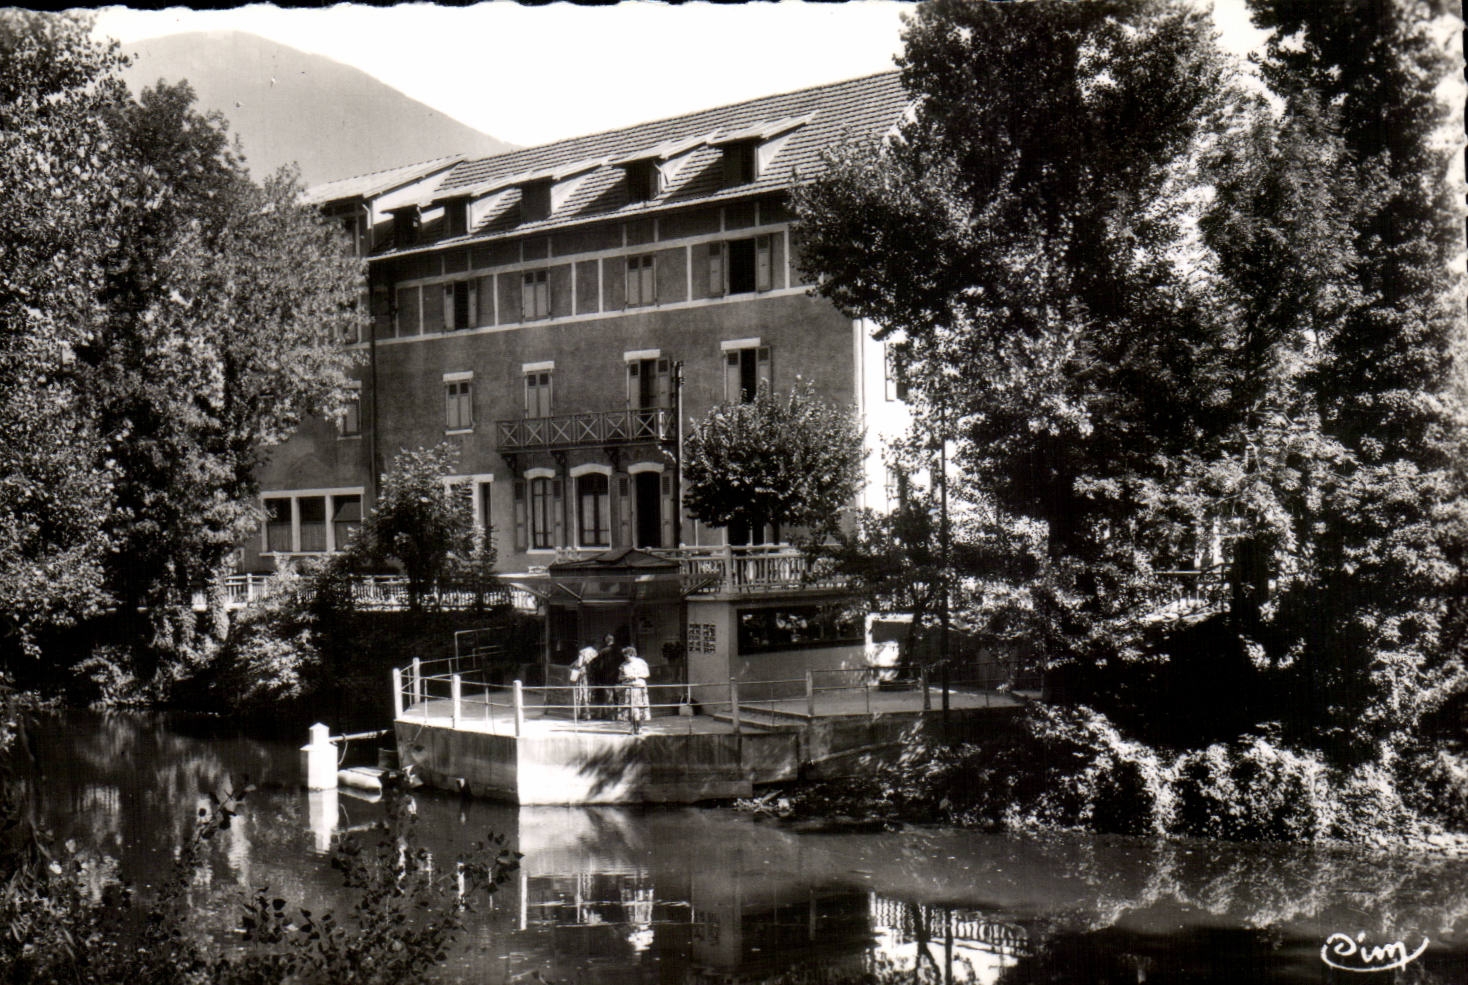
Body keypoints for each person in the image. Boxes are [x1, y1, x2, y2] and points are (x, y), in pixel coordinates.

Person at [618, 646, 651, 734]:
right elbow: (619, 677)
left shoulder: (641, 662)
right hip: (628, 688)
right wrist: (626, 677)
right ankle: (632, 727)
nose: (626, 658)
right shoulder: (623, 665)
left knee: (638, 708)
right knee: (630, 709)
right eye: (625, 656)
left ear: (632, 655)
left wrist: (637, 676)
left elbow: (647, 674)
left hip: (638, 687)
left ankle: (639, 727)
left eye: (628, 656)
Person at [593, 633, 620, 718]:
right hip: (618, 676)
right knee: (616, 696)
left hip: (606, 677)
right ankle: (616, 715)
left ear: (605, 641)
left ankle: (608, 715)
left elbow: (598, 665)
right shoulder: (620, 650)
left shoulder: (603, 651)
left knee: (607, 696)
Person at [569, 644, 597, 721]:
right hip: (585, 682)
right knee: (584, 697)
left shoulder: (585, 662)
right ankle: (584, 714)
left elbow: (576, 666)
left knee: (583, 697)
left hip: (584, 682)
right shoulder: (589, 662)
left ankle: (582, 714)